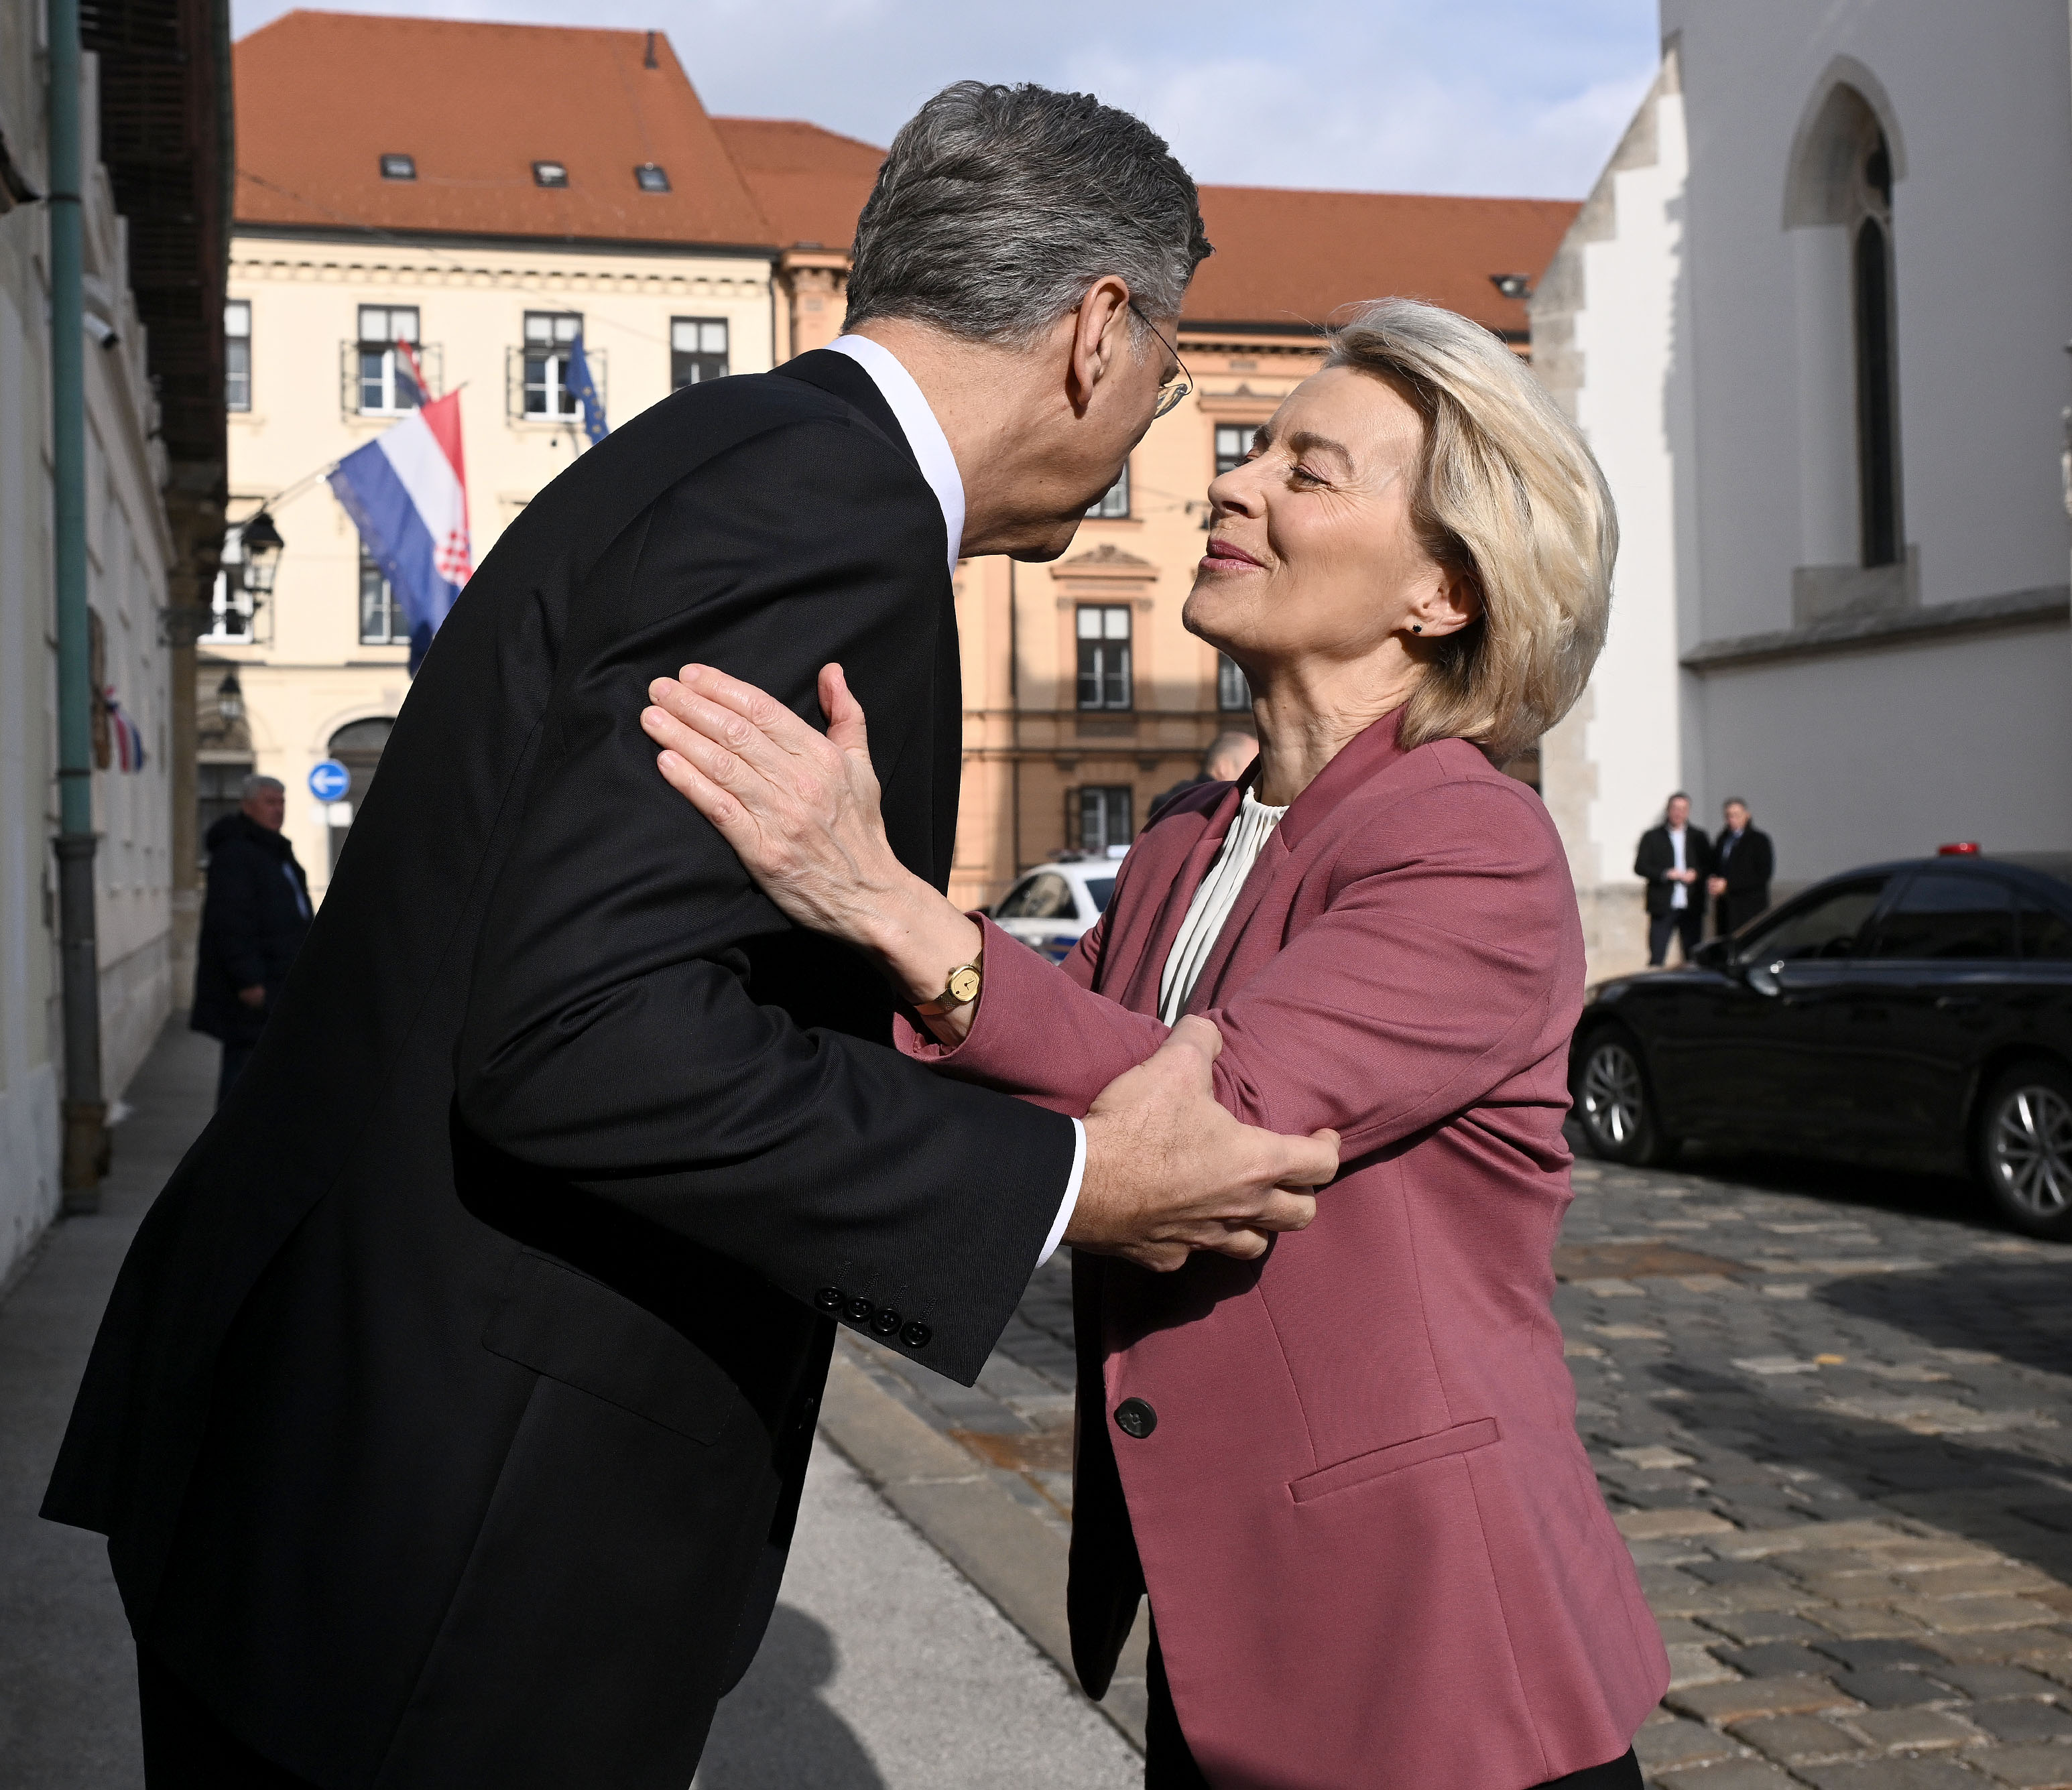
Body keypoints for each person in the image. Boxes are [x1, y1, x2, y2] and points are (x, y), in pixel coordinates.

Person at [43, 82, 1337, 1790]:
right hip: (444, 1536)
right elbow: (586, 1034)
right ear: (1096, 332)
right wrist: (1069, 1179)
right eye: (1170, 378)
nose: (1149, 422)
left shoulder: (738, 454)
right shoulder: (827, 516)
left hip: (348, 1465)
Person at [644, 298, 1666, 1789]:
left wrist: (882, 901)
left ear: (1443, 588)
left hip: (1430, 1652)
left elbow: (1218, 1119)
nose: (1231, 483)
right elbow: (1044, 1057)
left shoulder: (1472, 841)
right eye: (1252, 451)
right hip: (1228, 1612)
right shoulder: (1192, 831)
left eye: (1308, 471)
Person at [188, 774, 313, 1106]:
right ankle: (225, 1152)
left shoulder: (277, 851)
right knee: (243, 1070)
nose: (278, 809)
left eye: (282, 802)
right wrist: (249, 981)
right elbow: (230, 923)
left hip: (281, 980)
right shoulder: (236, 854)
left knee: (270, 1072)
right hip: (255, 990)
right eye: (270, 802)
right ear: (247, 806)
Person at [1635, 791, 1711, 965]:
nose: (1679, 813)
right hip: (1663, 906)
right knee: (1657, 957)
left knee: (1693, 958)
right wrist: (1665, 874)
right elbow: (1640, 866)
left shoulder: (1698, 837)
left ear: (1688, 812)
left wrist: (1697, 874)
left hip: (1691, 906)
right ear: (1668, 810)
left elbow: (1709, 865)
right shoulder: (1652, 837)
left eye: (1683, 809)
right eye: (1675, 809)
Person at [1144, 728, 1258, 827]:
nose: (1259, 777)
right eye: (1254, 769)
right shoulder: (1198, 804)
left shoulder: (1182, 798)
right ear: (1224, 768)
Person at [1708, 796, 1776, 935]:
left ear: (1747, 815)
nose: (1732, 819)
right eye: (1728, 816)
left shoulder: (1759, 840)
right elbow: (1717, 866)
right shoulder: (1723, 839)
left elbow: (1763, 874)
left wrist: (1728, 885)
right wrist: (1714, 881)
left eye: (1736, 815)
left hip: (1749, 909)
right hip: (1726, 910)